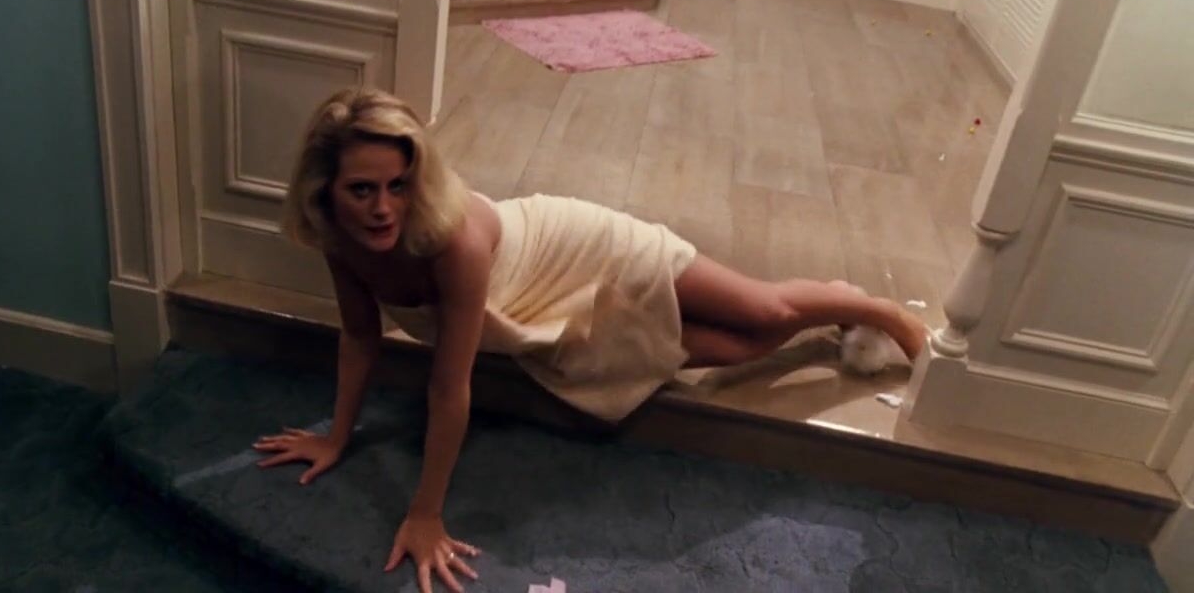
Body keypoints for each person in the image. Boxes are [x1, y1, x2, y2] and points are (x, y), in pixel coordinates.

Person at [252, 87, 928, 593]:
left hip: (584, 250)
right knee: (733, 351)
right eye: (361, 190)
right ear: (324, 191)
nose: (383, 208)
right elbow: (360, 335)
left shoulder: (452, 241)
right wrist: (336, 437)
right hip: (538, 309)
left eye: (400, 186)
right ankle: (825, 315)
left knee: (764, 310)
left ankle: (877, 311)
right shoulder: (339, 237)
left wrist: (425, 514)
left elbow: (449, 389)